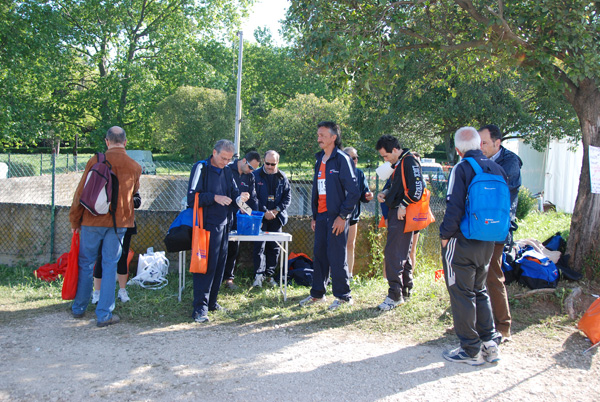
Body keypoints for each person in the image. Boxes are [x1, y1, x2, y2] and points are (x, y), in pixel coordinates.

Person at [440, 126, 505, 365]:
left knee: (461, 293)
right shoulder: (496, 168)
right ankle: (489, 343)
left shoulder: (462, 168)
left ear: (458, 150)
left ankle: (469, 349)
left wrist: (445, 236)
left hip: (462, 240)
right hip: (488, 239)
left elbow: (454, 206)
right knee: (480, 290)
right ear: (479, 144)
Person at [69, 126, 141, 327]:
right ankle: (104, 314)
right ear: (125, 142)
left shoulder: (95, 161)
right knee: (110, 265)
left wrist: (75, 220)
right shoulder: (134, 166)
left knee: (86, 264)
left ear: (107, 141)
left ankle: (79, 308)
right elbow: (134, 195)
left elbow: (80, 193)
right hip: (119, 223)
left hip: (92, 221)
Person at [186, 140, 249, 323]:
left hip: (224, 225)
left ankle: (212, 303)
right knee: (204, 268)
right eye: (223, 158)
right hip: (205, 226)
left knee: (220, 266)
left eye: (229, 159)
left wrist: (241, 199)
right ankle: (200, 308)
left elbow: (234, 195)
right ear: (214, 152)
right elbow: (192, 198)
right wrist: (215, 197)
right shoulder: (201, 167)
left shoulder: (228, 170)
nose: (225, 162)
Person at [299, 121, 360, 311]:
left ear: (333, 137)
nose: (318, 138)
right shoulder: (319, 159)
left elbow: (354, 191)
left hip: (337, 218)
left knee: (336, 256)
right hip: (322, 216)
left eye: (323, 135)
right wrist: (315, 216)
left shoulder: (342, 159)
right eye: (318, 135)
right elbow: (318, 190)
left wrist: (342, 217)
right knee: (319, 255)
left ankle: (343, 296)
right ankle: (317, 294)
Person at [479, 124, 523, 342]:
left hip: (496, 227)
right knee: (476, 276)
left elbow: (500, 189)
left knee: (493, 276)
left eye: (484, 142)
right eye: (479, 142)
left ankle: (503, 327)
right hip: (478, 227)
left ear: (498, 143)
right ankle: (478, 324)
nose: (481, 146)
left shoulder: (511, 162)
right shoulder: (480, 160)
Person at [375, 135, 424, 310]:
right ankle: (405, 290)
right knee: (402, 253)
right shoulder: (400, 163)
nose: (384, 159)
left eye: (386, 156)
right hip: (399, 212)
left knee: (394, 253)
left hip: (403, 214)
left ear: (395, 150)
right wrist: (385, 192)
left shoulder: (409, 161)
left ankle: (395, 295)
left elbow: (418, 188)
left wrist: (403, 204)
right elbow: (396, 184)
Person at [92, 192, 141, 304]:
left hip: (125, 224)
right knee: (101, 257)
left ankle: (122, 291)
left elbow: (138, 201)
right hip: (105, 223)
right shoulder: (106, 179)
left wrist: (125, 200)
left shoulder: (129, 181)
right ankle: (97, 292)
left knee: (123, 257)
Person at [251, 150, 291, 287]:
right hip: (260, 218)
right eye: (267, 163)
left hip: (277, 217)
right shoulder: (255, 176)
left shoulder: (282, 177)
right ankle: (258, 275)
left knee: (274, 247)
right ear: (263, 161)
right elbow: (252, 197)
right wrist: (264, 211)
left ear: (277, 163)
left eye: (272, 164)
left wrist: (276, 210)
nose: (269, 166)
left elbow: (287, 197)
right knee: (259, 246)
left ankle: (269, 276)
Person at [222, 152, 260, 290]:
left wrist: (253, 216)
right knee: (219, 248)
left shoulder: (250, 177)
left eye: (253, 169)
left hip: (239, 219)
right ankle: (215, 277)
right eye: (250, 167)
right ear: (243, 160)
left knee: (233, 249)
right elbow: (226, 195)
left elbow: (253, 199)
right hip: (223, 216)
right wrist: (239, 201)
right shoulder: (226, 170)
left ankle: (229, 279)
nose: (251, 171)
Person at [343, 147, 373, 277]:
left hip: (353, 215)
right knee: (337, 246)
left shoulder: (360, 174)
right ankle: (336, 275)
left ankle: (349, 275)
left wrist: (368, 195)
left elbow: (364, 194)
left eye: (356, 157)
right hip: (338, 215)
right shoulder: (337, 173)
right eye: (352, 158)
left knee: (350, 244)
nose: (355, 160)